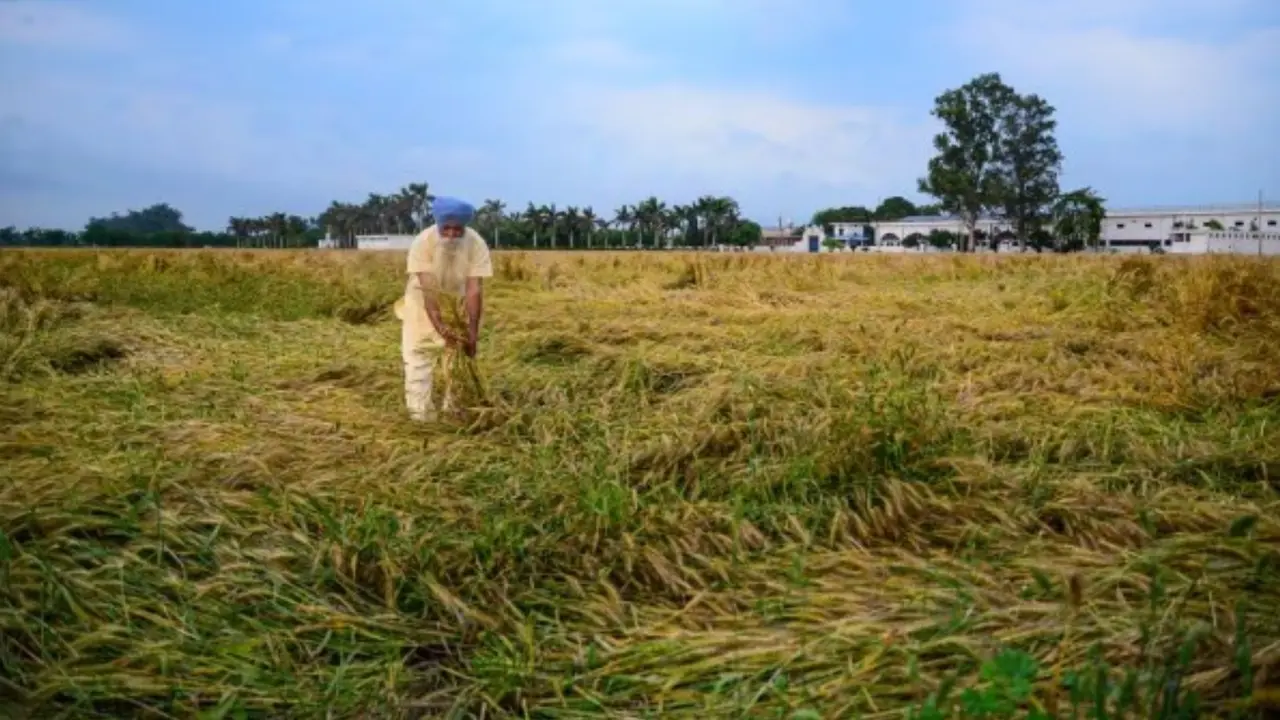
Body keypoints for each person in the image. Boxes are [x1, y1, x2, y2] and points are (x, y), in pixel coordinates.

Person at [398, 196, 493, 421]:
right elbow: (429, 291)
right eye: (446, 229)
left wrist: (472, 333)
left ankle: (454, 411)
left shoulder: (476, 243)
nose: (451, 235)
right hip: (421, 304)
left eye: (457, 230)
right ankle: (421, 417)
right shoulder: (422, 242)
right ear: (439, 225)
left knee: (455, 361)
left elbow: (474, 290)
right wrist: (440, 327)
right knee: (418, 358)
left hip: (457, 305)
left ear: (465, 227)